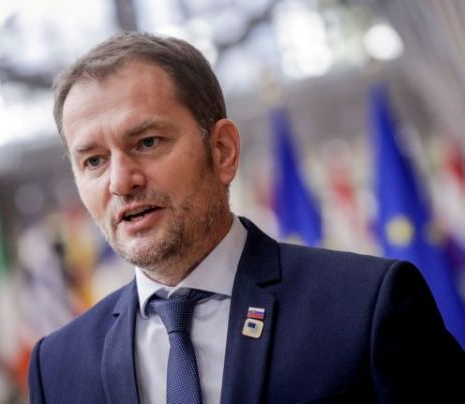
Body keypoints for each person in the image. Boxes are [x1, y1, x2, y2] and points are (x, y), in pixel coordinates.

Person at [28, 32, 464, 404]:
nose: (121, 181)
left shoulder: (366, 305)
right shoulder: (57, 366)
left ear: (222, 150)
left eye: (147, 142)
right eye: (94, 161)